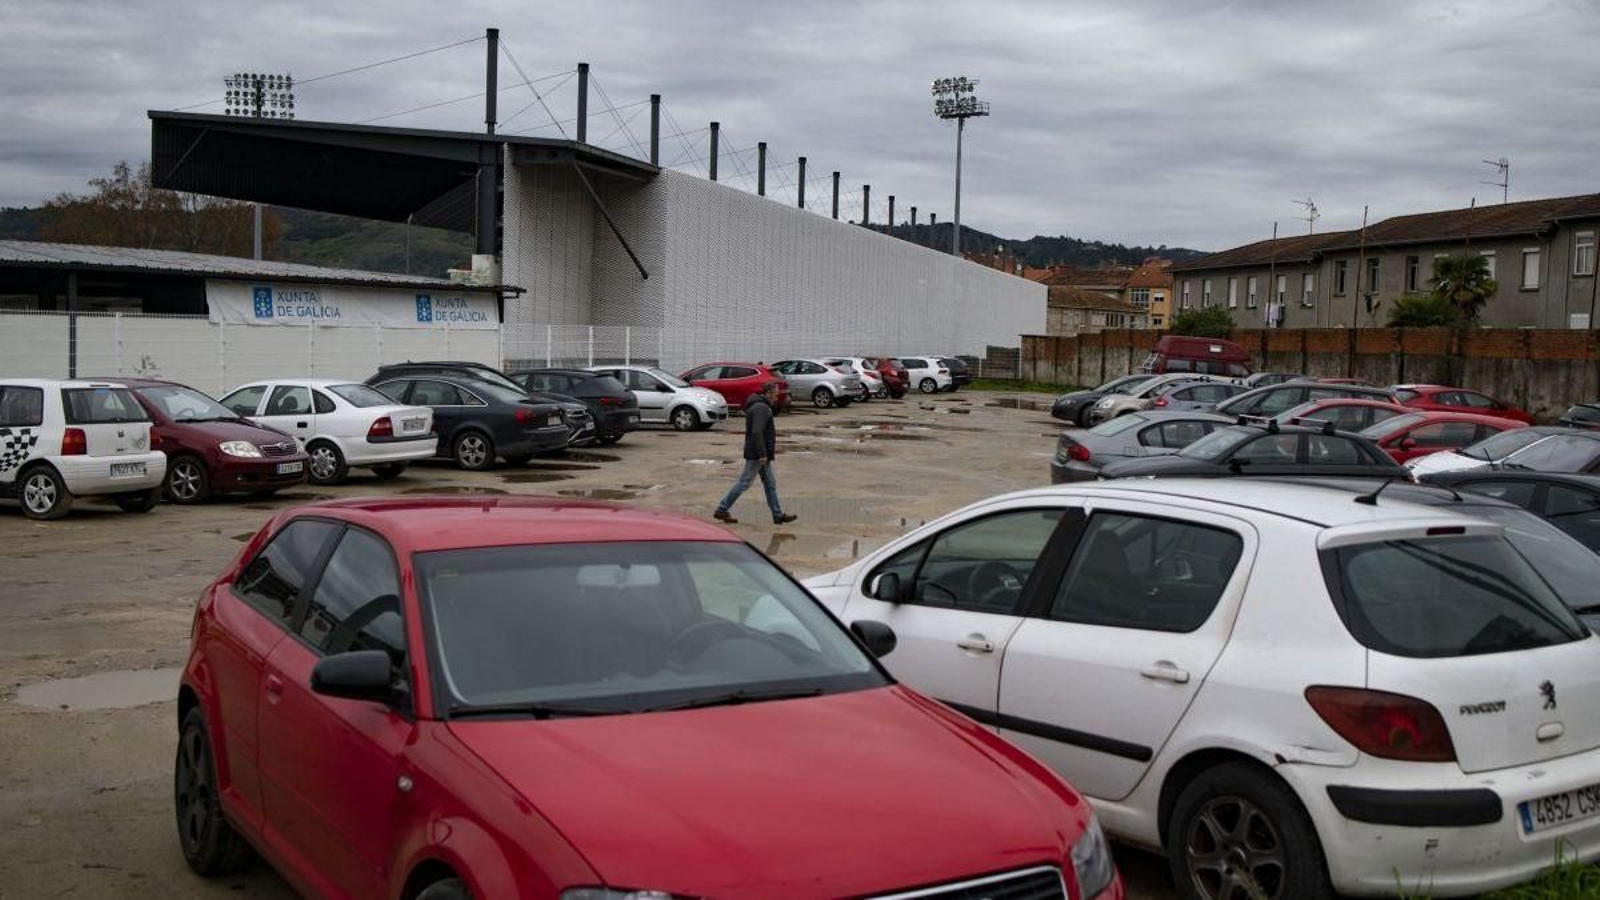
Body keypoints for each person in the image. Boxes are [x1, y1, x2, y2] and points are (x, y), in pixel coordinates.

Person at [714, 381, 796, 525]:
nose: (777, 397)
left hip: (760, 453)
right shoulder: (761, 408)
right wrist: (763, 454)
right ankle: (722, 508)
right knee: (744, 482)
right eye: (775, 394)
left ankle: (777, 515)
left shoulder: (761, 406)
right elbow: (757, 432)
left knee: (770, 484)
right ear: (769, 393)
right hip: (758, 454)